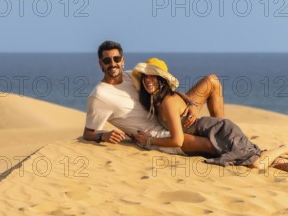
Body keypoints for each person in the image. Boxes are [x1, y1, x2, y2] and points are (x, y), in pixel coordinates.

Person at [131, 58, 288, 178]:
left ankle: (287, 147)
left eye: (154, 77)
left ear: (161, 81)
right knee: (260, 158)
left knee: (256, 163)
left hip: (220, 131)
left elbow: (177, 141)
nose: (149, 81)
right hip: (215, 131)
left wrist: (149, 141)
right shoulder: (162, 99)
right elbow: (178, 100)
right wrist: (188, 102)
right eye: (146, 78)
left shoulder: (167, 102)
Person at [83, 41, 223, 156]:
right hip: (157, 135)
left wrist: (191, 103)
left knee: (212, 81)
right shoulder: (99, 95)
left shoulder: (132, 76)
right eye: (107, 60)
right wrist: (103, 136)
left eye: (116, 59)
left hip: (169, 116)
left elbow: (168, 89)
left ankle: (222, 129)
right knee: (211, 145)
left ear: (123, 61)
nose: (113, 64)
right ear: (101, 64)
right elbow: (88, 133)